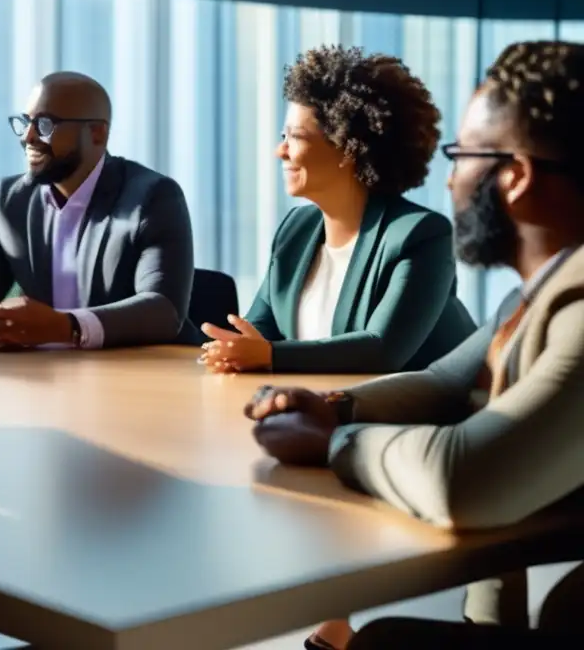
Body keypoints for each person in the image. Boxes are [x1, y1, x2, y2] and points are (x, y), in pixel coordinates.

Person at [246, 41, 584, 649]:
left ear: (516, 178)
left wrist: (333, 441)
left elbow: (465, 479)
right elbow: (444, 383)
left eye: (463, 156)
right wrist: (335, 406)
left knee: (375, 641)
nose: (450, 178)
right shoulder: (540, 293)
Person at [201, 45, 476, 374]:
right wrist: (231, 347)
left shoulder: (420, 235)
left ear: (347, 148)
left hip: (418, 418)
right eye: (282, 135)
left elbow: (381, 351)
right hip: (321, 410)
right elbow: (261, 328)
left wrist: (270, 356)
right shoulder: (297, 228)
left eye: (296, 137)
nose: (281, 150)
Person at [0, 71, 195, 350]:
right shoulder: (8, 200)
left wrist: (66, 327)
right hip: (47, 377)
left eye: (45, 124)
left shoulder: (152, 197)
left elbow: (163, 310)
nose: (28, 136)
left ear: (97, 133)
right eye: (25, 122)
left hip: (143, 375)